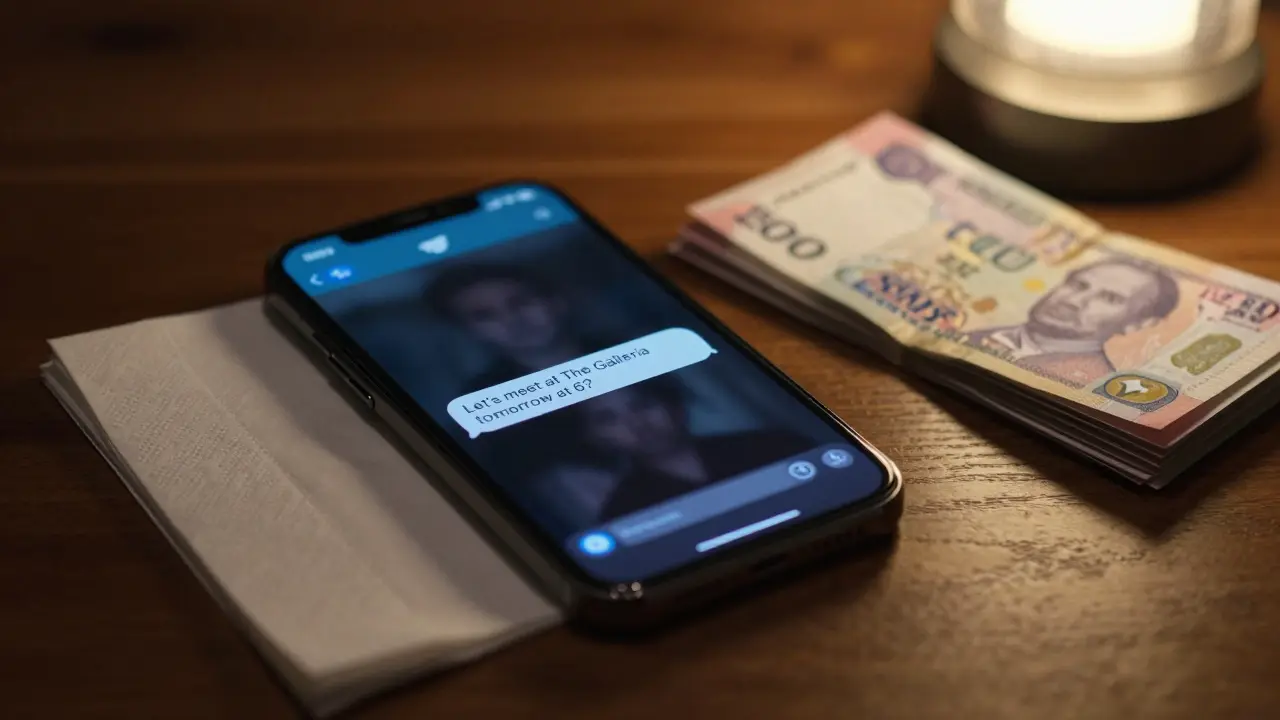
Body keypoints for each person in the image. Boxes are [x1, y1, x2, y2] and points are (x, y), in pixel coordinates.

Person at [565, 377, 813, 522]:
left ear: (675, 405)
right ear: (595, 438)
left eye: (642, 404)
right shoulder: (623, 512)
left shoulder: (774, 445)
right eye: (608, 419)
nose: (637, 424)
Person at [967, 258, 1180, 388]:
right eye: (1078, 285)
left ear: (1139, 324)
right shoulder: (971, 336)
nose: (1073, 301)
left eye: (1109, 298)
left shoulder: (1091, 384)